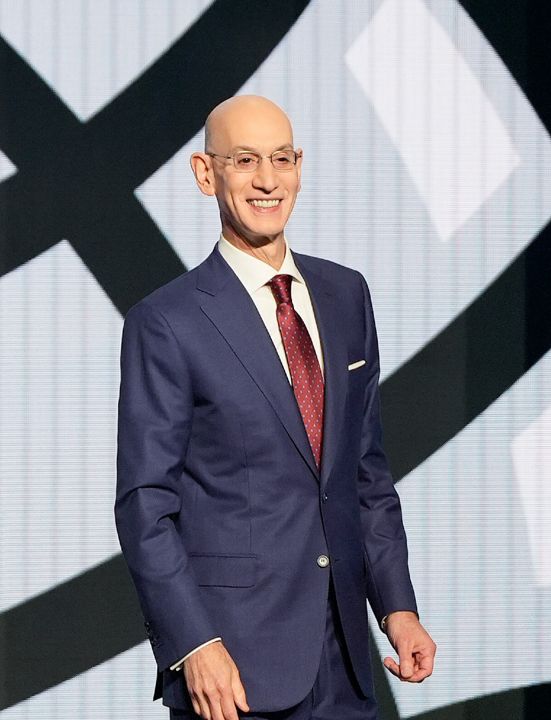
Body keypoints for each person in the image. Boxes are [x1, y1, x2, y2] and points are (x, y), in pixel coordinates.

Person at [115, 95, 436, 720]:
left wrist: (398, 608)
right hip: (231, 671)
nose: (267, 180)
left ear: (299, 166)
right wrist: (193, 645)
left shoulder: (346, 294)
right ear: (206, 174)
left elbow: (364, 474)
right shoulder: (167, 322)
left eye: (281, 159)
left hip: (344, 662)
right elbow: (144, 505)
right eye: (244, 161)